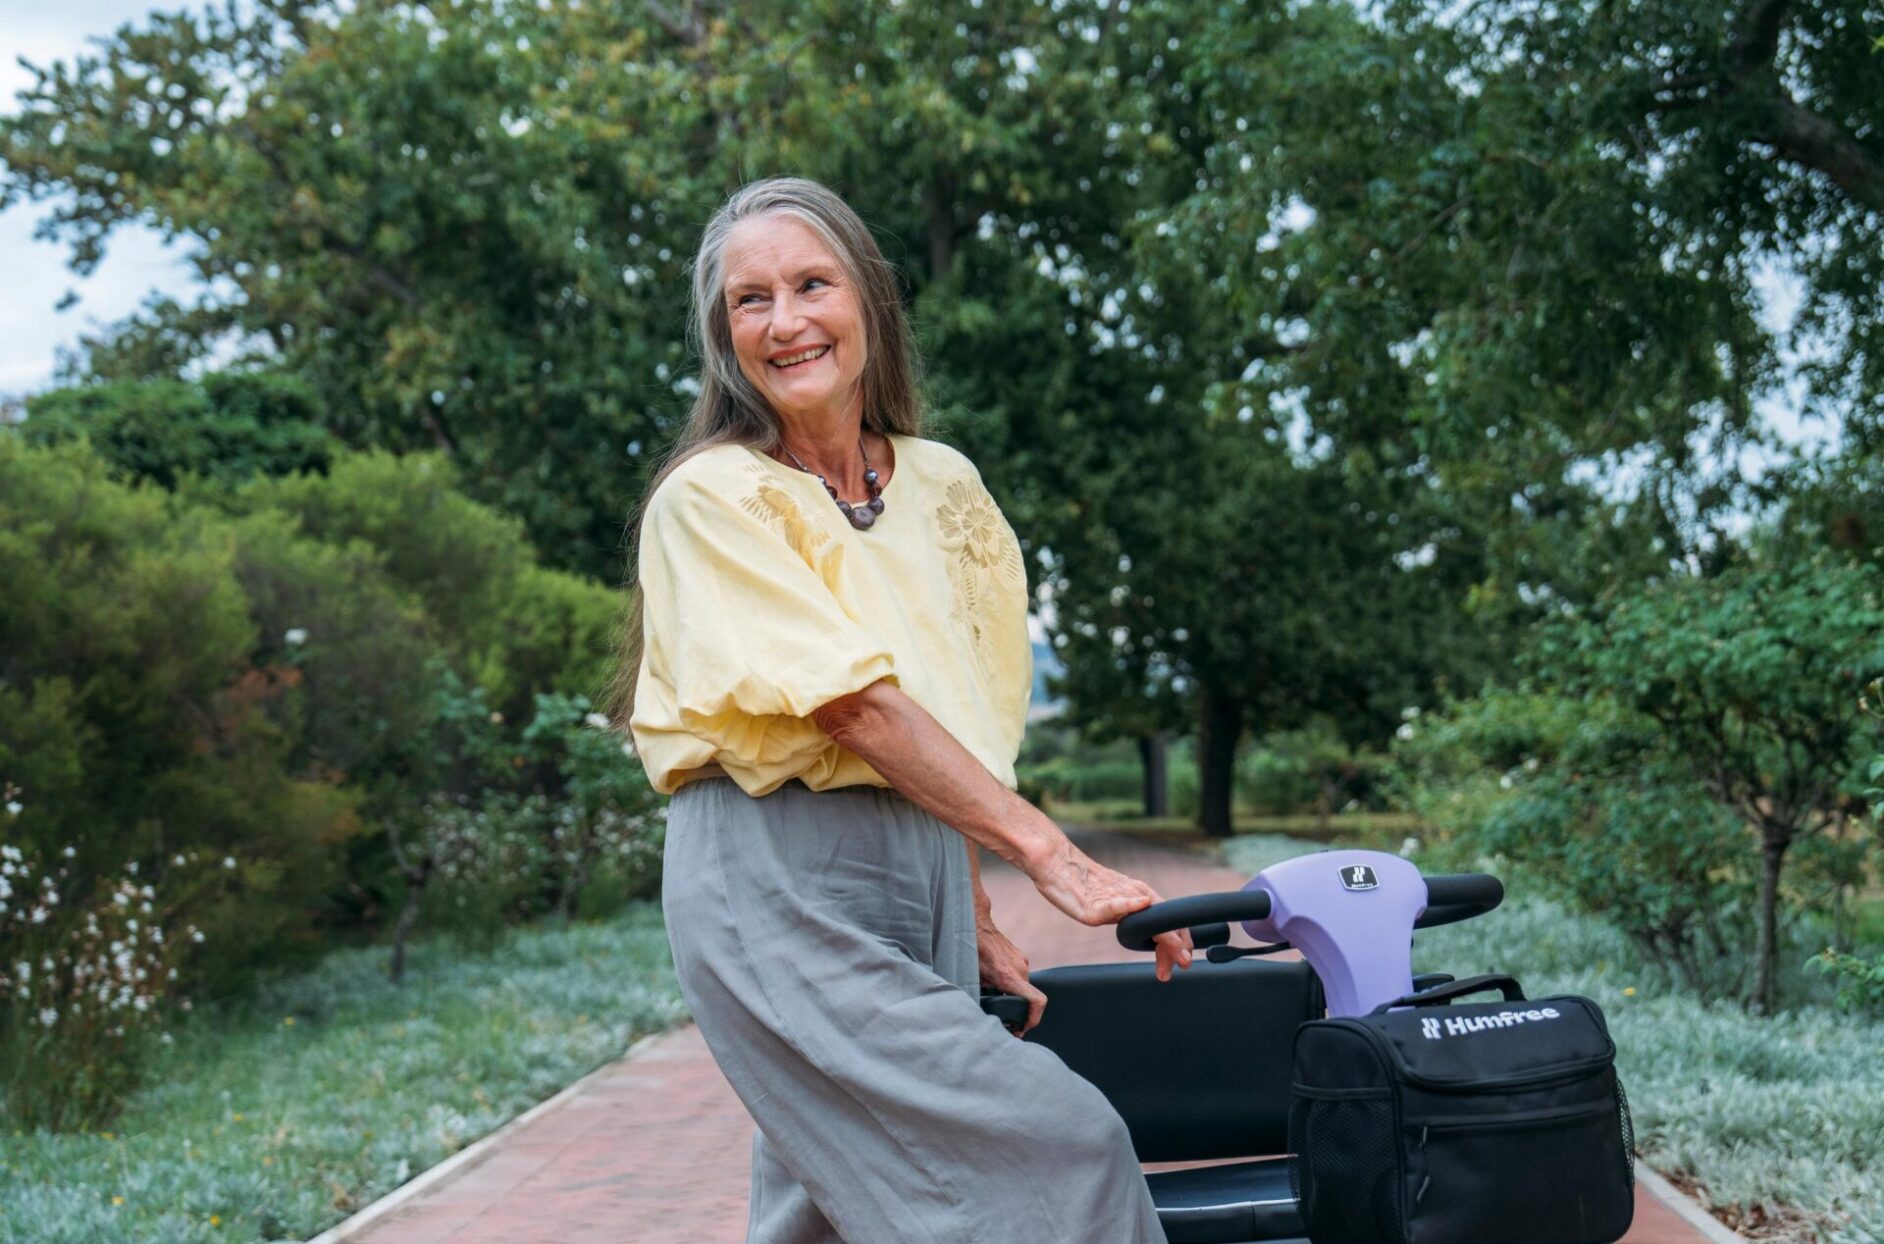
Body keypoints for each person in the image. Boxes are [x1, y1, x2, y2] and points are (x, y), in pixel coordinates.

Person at [607, 175, 1194, 1244]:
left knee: (831, 1199)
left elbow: (949, 707)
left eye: (810, 284)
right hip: (775, 874)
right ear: (722, 334)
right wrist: (1052, 858)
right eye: (750, 300)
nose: (784, 322)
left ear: (868, 300)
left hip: (917, 863)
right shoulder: (712, 496)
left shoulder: (944, 485)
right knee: (1059, 1145)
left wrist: (968, 894)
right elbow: (857, 710)